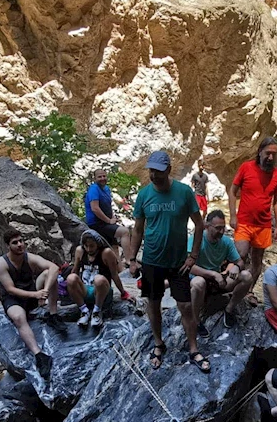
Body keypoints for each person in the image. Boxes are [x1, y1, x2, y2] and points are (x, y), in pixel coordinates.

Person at [129, 150, 210, 373]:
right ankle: (158, 343)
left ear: (168, 170)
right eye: (151, 171)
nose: (153, 175)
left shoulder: (183, 192)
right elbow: (137, 229)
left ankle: (193, 348)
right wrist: (132, 259)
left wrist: (193, 256)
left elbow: (199, 224)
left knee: (185, 305)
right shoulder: (144, 195)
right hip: (152, 261)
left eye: (158, 171)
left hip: (178, 262)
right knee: (153, 303)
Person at [0, 229, 64, 378]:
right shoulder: (1, 263)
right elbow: (10, 289)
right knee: (19, 317)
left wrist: (44, 291)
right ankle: (39, 355)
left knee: (50, 274)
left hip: (32, 295)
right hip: (14, 300)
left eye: (21, 241)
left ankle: (53, 314)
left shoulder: (29, 257)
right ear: (8, 246)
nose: (20, 245)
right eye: (15, 243)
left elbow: (54, 267)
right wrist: (36, 294)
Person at [228, 137, 277, 304]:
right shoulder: (246, 167)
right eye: (268, 153)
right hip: (244, 222)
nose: (271, 158)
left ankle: (248, 291)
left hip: (264, 225)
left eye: (274, 154)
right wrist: (232, 215)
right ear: (260, 152)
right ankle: (231, 287)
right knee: (241, 255)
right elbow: (232, 191)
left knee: (257, 261)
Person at [189, 209, 253, 333]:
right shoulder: (196, 238)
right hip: (198, 277)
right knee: (199, 283)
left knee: (247, 276)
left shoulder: (226, 241)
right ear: (207, 226)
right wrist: (212, 274)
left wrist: (236, 267)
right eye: (218, 228)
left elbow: (240, 261)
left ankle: (229, 309)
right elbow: (189, 266)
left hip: (218, 280)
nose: (221, 231)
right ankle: (195, 320)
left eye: (223, 228)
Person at [66, 229, 128, 329]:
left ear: (98, 244)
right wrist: (68, 288)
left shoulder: (106, 253)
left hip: (102, 290)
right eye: (86, 246)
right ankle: (84, 311)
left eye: (92, 246)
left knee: (98, 279)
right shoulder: (80, 251)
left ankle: (96, 312)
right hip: (85, 289)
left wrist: (123, 293)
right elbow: (75, 271)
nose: (89, 249)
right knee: (71, 278)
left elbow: (114, 274)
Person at [84, 168, 132, 268]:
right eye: (99, 177)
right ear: (95, 178)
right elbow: (95, 208)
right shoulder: (94, 189)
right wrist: (109, 220)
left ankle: (120, 270)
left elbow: (108, 206)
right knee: (124, 232)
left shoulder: (106, 189)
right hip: (96, 224)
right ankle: (129, 260)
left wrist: (113, 217)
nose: (102, 178)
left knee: (114, 247)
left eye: (104, 176)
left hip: (105, 223)